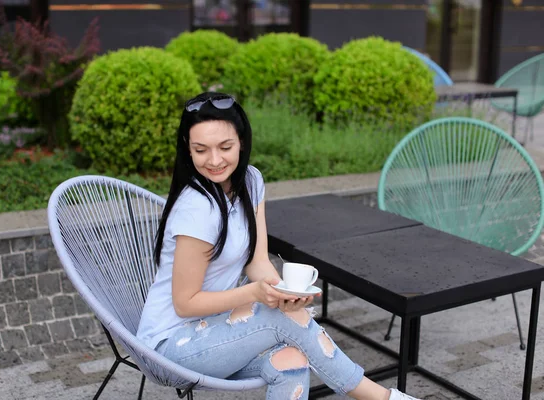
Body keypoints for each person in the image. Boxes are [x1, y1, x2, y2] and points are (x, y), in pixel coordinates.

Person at [137, 92, 422, 400]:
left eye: (225, 147)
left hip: (217, 331)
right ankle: (382, 398)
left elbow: (257, 262)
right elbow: (185, 303)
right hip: (170, 348)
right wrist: (258, 295)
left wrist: (282, 294)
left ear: (242, 142)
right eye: (200, 150)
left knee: (292, 359)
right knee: (280, 319)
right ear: (187, 149)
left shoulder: (250, 182)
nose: (215, 160)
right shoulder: (197, 207)